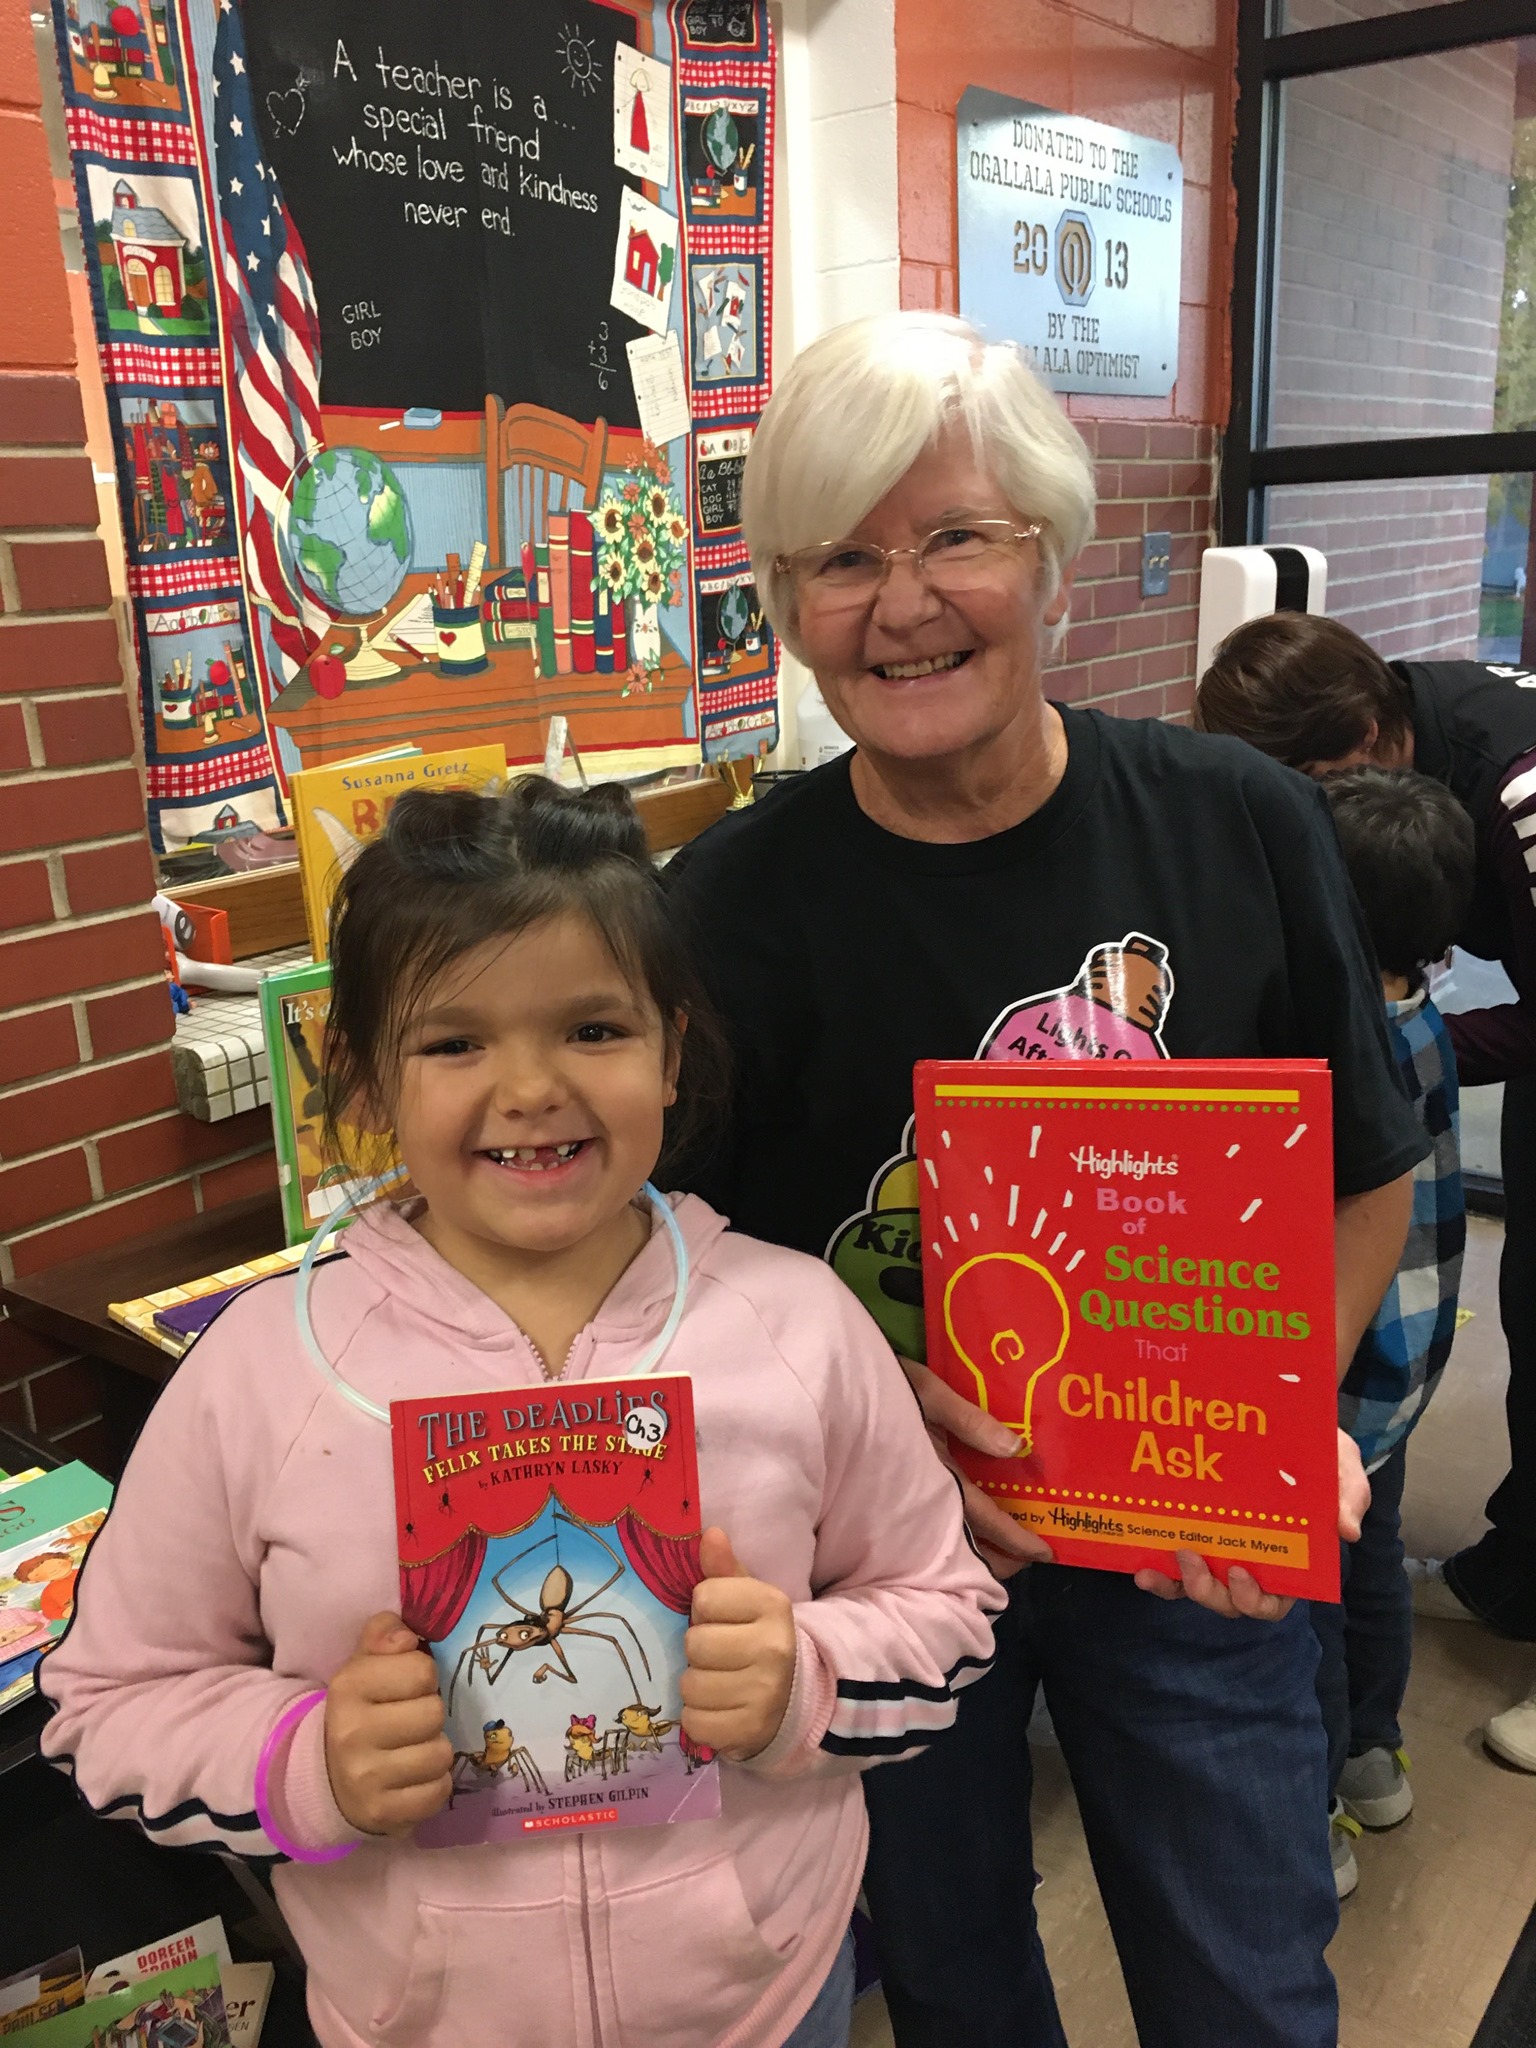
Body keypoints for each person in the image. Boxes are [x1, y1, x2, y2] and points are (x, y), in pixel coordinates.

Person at [666, 310, 1421, 2048]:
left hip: (1187, 1544)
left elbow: (1366, 1172)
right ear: (785, 607)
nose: (903, 600)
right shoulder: (721, 908)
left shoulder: (1237, 818)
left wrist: (1276, 1410)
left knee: (1244, 1962)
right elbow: (671, 1269)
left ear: (1053, 556)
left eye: (954, 537)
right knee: (947, 1976)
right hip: (881, 1559)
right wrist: (873, 1431)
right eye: (841, 557)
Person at [38, 777, 1002, 2048]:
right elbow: (109, 1702)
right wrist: (307, 1762)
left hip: (761, 2002)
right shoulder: (265, 1371)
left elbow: (947, 1607)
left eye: (594, 1029)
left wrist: (801, 1676)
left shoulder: (798, 1324)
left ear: (671, 1048)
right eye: (454, 1043)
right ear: (367, 1081)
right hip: (421, 2018)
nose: (532, 1087)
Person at [1196, 612, 1536, 1767]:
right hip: (1401, 1354)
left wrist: (1404, 1037)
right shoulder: (1402, 742)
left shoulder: (1519, 781)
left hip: (1353, 1370)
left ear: (1381, 738)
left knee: (1325, 1562)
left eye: (1316, 791)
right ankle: (1494, 1594)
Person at [1309, 768, 1474, 1900]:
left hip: (1344, 1371)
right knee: (1373, 1548)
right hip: (1408, 1367)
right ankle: (1374, 1751)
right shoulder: (1425, 1017)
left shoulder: (1344, 1049)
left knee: (1306, 1588)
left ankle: (1315, 1801)